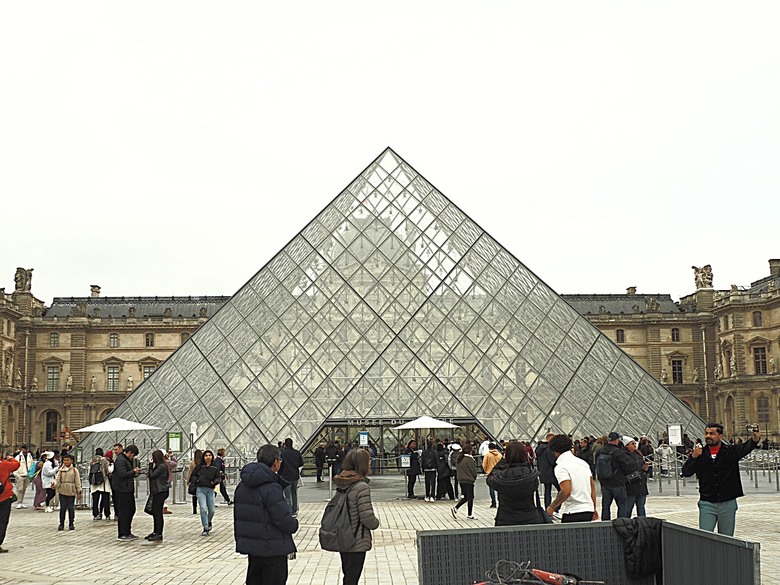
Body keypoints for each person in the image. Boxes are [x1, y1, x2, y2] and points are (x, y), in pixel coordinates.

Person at [234, 444, 298, 585]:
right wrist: (294, 524)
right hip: (273, 548)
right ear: (275, 462)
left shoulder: (242, 485)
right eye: (280, 460)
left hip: (254, 548)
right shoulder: (271, 487)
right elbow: (283, 519)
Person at [681, 422, 760, 536]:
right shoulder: (700, 454)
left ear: (720, 436)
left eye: (712, 434)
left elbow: (745, 448)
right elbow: (686, 472)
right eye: (706, 433)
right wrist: (693, 456)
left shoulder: (731, 451)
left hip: (727, 502)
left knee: (727, 539)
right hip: (707, 503)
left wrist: (755, 439)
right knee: (705, 538)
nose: (708, 436)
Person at [333, 448, 381, 585]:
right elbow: (367, 517)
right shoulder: (361, 486)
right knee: (352, 578)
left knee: (347, 575)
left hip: (343, 534)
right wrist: (375, 523)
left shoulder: (343, 482)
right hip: (356, 538)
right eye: (368, 461)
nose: (370, 464)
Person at [487, 441, 543, 526]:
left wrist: (503, 460)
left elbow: (490, 478)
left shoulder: (501, 476)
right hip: (530, 517)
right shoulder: (531, 474)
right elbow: (535, 486)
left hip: (506, 518)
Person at [546, 434, 598, 523]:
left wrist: (551, 507)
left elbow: (566, 491)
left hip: (573, 511)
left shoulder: (561, 467)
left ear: (555, 451)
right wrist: (593, 508)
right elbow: (592, 487)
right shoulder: (583, 463)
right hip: (588, 509)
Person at [597, 432, 637, 520]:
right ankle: (621, 524)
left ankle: (605, 524)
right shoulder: (618, 452)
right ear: (616, 440)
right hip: (617, 483)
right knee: (622, 505)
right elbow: (626, 466)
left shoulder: (600, 451)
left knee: (606, 506)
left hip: (605, 483)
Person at [112, 444, 142, 541]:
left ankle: (127, 532)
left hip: (127, 489)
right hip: (122, 489)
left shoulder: (125, 459)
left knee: (131, 510)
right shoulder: (121, 460)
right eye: (133, 455)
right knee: (124, 511)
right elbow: (122, 474)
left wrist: (134, 472)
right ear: (129, 453)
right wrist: (133, 471)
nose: (133, 457)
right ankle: (122, 533)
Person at [192, 449, 221, 536]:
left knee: (212, 510)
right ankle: (205, 527)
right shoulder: (199, 467)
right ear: (203, 457)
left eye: (209, 455)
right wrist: (197, 481)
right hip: (200, 489)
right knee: (203, 509)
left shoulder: (215, 467)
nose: (208, 457)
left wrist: (215, 482)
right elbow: (193, 475)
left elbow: (218, 477)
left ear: (212, 457)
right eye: (206, 455)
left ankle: (209, 522)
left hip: (210, 490)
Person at [53, 452, 82, 530]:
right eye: (64, 460)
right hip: (62, 489)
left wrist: (79, 491)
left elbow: (77, 481)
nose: (66, 462)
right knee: (62, 508)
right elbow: (57, 479)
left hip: (71, 490)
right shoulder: (61, 470)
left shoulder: (75, 470)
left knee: (70, 508)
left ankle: (71, 523)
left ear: (71, 461)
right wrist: (54, 484)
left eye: (68, 460)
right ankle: (61, 523)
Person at [146, 449, 169, 541]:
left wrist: (150, 466)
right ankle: (156, 531)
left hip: (160, 491)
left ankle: (158, 533)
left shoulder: (161, 467)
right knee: (156, 512)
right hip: (159, 490)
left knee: (157, 513)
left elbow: (152, 476)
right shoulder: (161, 466)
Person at [624, 437, 650, 517]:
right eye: (632, 443)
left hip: (641, 484)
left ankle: (642, 525)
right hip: (631, 485)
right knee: (628, 508)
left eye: (635, 443)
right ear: (626, 445)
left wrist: (645, 469)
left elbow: (641, 466)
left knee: (641, 507)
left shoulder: (639, 454)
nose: (635, 445)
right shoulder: (624, 455)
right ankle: (626, 524)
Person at [451, 442, 477, 520]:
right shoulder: (469, 459)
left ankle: (456, 508)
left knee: (465, 497)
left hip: (461, 480)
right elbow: (473, 471)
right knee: (470, 497)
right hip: (469, 480)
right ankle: (469, 514)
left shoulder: (459, 459)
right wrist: (474, 477)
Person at [0, 454, 21, 552]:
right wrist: (10, 458)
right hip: (4, 496)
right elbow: (17, 464)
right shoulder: (4, 464)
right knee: (3, 520)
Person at [279, 438, 304, 516]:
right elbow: (301, 463)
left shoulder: (283, 453)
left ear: (285, 444)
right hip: (295, 476)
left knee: (287, 495)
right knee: (294, 494)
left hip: (286, 476)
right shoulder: (297, 453)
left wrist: (280, 474)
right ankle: (294, 510)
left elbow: (281, 466)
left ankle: (289, 511)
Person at [535, 433, 560, 510]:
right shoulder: (549, 449)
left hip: (543, 473)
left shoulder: (539, 449)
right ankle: (556, 507)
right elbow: (553, 461)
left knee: (547, 491)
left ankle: (548, 507)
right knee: (561, 490)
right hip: (551, 473)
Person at [89, 448, 112, 521]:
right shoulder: (104, 460)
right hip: (103, 483)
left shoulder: (92, 461)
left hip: (94, 484)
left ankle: (95, 515)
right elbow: (108, 470)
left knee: (95, 501)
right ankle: (107, 515)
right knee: (106, 500)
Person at [481, 443, 502, 508]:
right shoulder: (499, 455)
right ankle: (500, 502)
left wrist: (487, 471)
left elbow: (484, 464)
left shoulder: (487, 455)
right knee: (500, 489)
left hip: (491, 473)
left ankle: (493, 503)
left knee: (491, 489)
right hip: (499, 473)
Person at [13, 444, 34, 509]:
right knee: (20, 489)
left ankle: (21, 502)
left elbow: (32, 465)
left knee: (24, 489)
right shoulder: (18, 457)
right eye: (25, 449)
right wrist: (17, 475)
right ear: (22, 449)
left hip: (27, 475)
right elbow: (14, 467)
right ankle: (19, 502)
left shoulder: (30, 456)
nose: (26, 450)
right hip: (20, 475)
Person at [187, 449, 203, 515]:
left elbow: (190, 472)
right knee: (202, 495)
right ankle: (202, 508)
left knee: (194, 495)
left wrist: (188, 480)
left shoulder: (193, 463)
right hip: (201, 480)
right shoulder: (203, 463)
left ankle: (194, 509)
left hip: (194, 480)